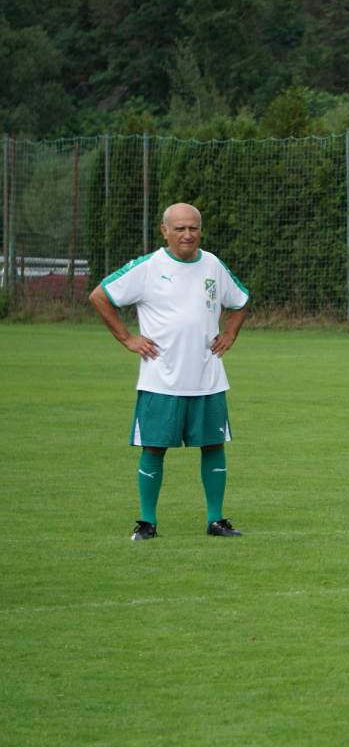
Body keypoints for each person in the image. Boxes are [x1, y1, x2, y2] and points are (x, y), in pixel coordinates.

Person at [88, 202, 250, 541]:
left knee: (214, 446)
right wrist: (127, 338)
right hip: (161, 379)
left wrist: (230, 333)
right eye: (180, 228)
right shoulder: (148, 267)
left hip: (207, 378)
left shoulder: (213, 264)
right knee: (153, 448)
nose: (187, 234)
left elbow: (240, 300)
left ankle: (216, 520)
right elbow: (100, 296)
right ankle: (147, 523)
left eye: (193, 228)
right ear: (164, 231)